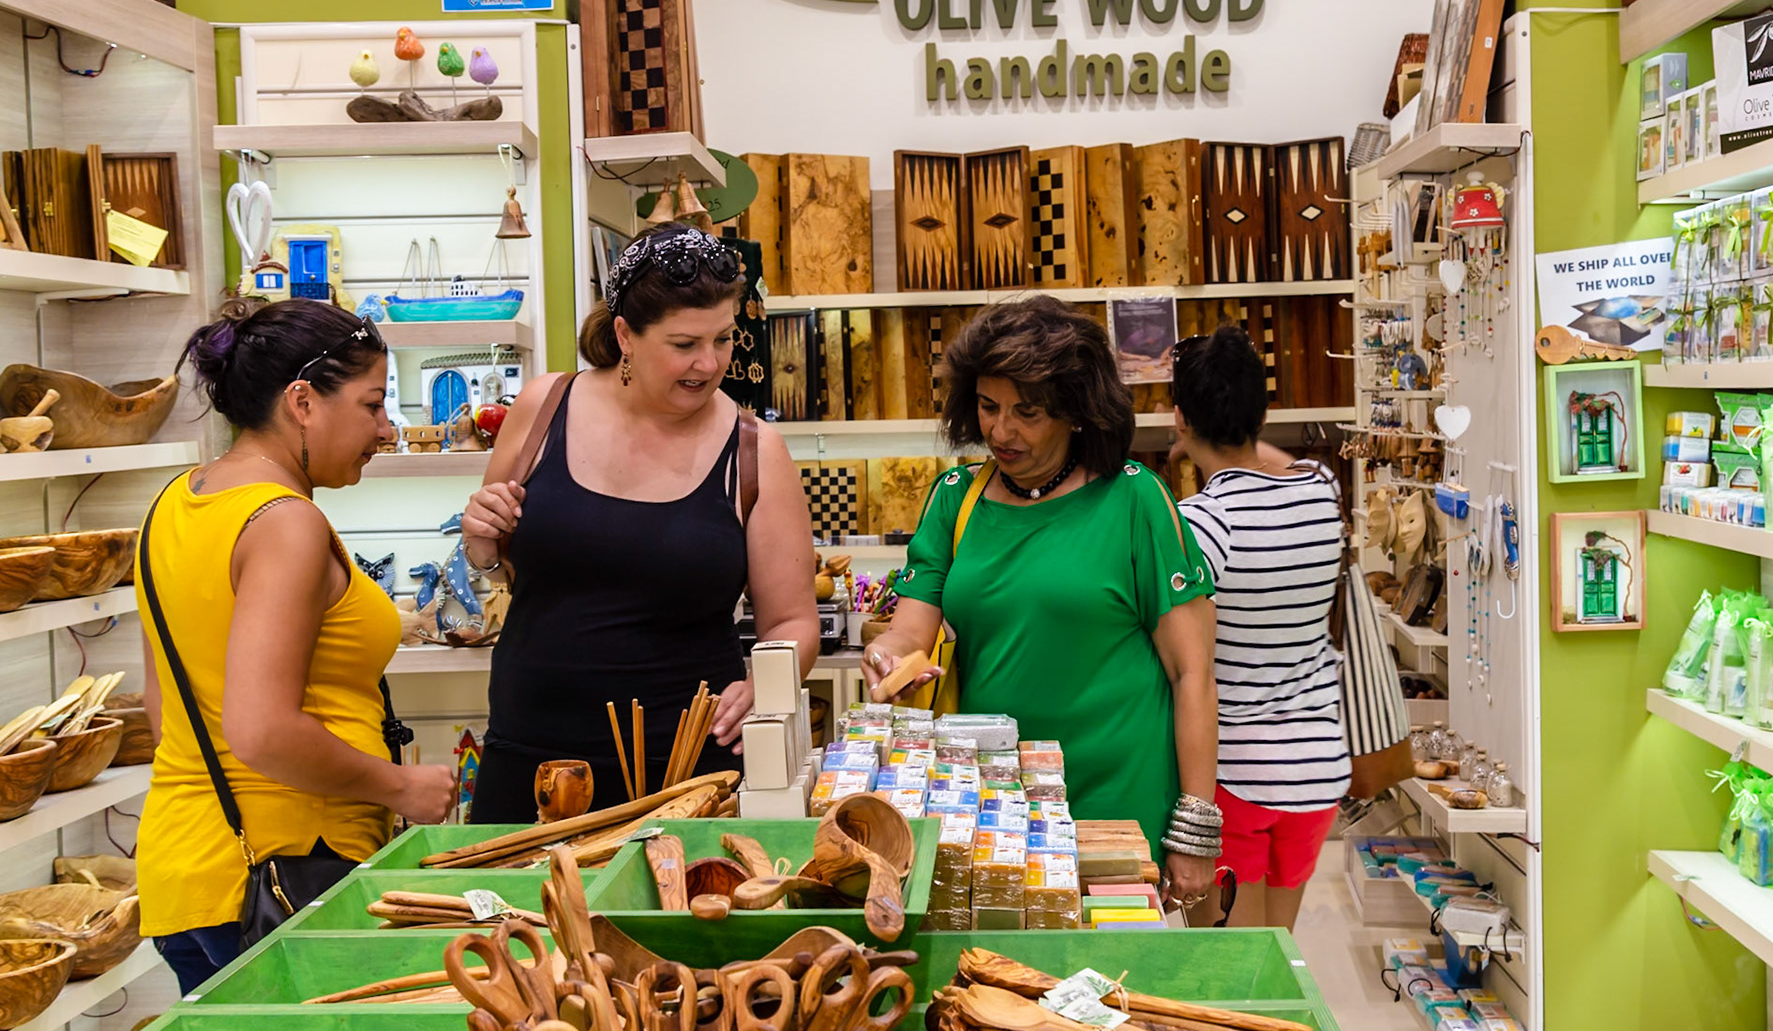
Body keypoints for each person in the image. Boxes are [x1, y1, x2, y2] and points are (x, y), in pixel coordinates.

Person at [859, 296, 1221, 911]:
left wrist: (1195, 830)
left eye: (1028, 413)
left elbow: (1194, 675)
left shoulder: (1134, 500)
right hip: (997, 806)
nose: (1001, 431)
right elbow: (910, 630)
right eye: (988, 406)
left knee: (1118, 990)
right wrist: (886, 656)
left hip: (1120, 808)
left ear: (1076, 413)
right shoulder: (955, 499)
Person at [137, 298, 457, 993]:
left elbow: (167, 713)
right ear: (303, 401)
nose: (386, 427)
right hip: (289, 872)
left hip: (185, 873)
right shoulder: (285, 523)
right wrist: (400, 786)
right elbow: (260, 730)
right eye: (372, 404)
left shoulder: (173, 505)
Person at [462, 225, 818, 820]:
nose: (709, 364)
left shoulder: (755, 452)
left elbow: (792, 619)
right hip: (532, 754)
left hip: (685, 770)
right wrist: (481, 542)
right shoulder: (544, 406)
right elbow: (503, 570)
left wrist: (767, 680)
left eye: (724, 340)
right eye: (684, 344)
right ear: (625, 334)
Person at [1170, 325, 1349, 930]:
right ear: (1261, 412)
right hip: (1318, 769)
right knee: (1279, 946)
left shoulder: (1201, 524)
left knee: (1227, 968)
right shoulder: (1321, 492)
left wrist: (1194, 452)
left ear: (1180, 419)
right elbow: (1276, 462)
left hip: (1238, 775)